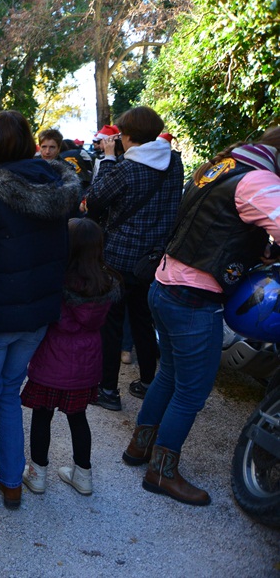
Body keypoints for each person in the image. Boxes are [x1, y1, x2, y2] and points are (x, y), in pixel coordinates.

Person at [123, 127, 280, 506]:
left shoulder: (223, 167)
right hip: (194, 296)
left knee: (170, 375)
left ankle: (139, 448)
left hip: (166, 284)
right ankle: (161, 471)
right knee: (191, 392)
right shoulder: (258, 179)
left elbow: (218, 227)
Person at [0, 110, 79, 511]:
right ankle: (11, 482)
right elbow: (59, 254)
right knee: (8, 395)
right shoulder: (54, 186)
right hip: (35, 317)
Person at [84, 106, 184, 411]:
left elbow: (95, 199)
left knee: (112, 323)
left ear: (126, 136)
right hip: (153, 258)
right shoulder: (175, 162)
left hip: (119, 257)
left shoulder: (126, 168)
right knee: (143, 317)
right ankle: (148, 382)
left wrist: (110, 159)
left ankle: (108, 391)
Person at [20, 218, 121, 497]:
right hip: (85, 367)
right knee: (79, 418)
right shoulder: (104, 284)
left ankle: (37, 474)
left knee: (42, 417)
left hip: (52, 364)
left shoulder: (58, 281)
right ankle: (83, 475)